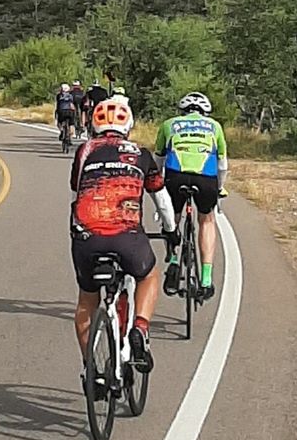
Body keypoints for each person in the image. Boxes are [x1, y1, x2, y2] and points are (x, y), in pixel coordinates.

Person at [70, 96, 178, 381]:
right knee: (149, 275)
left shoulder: (85, 150)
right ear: (129, 126)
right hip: (125, 235)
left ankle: (91, 370)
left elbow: (76, 189)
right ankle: (140, 328)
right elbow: (162, 200)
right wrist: (171, 230)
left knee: (86, 301)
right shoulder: (141, 154)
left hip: (87, 235)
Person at [154, 92, 229, 301]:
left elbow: (158, 159)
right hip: (206, 179)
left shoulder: (169, 124)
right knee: (207, 220)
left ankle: (173, 260)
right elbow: (222, 164)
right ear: (205, 112)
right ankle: (206, 279)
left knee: (172, 218)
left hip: (175, 177)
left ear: (182, 111)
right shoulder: (215, 126)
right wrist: (220, 187)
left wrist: (157, 184)